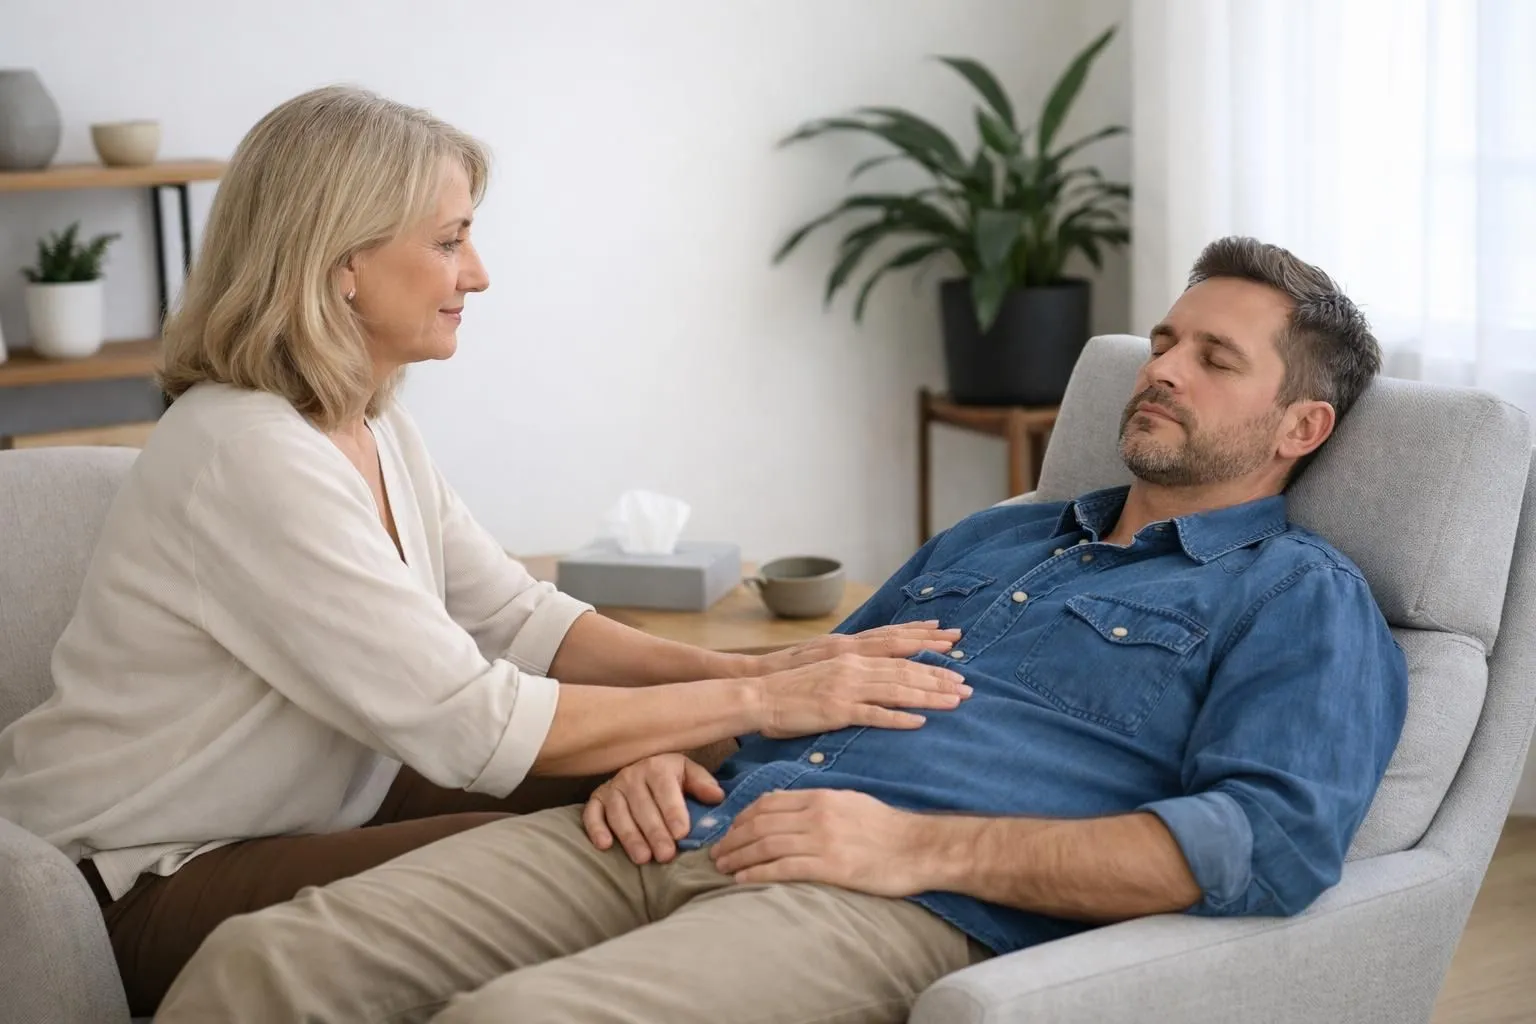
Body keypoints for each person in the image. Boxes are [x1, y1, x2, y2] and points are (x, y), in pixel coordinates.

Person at [152, 238, 1410, 1024]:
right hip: (674, 817)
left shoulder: (1298, 597)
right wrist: (660, 750)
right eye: (1169, 338)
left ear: (1298, 429)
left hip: (886, 895)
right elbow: (805, 682)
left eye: (1218, 359)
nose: (1165, 367)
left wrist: (916, 843)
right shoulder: (999, 536)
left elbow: (1267, 844)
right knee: (264, 965)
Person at [0, 86, 973, 1017]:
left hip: (324, 796)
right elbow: (472, 722)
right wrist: (764, 696)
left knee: (692, 748)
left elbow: (518, 617)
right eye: (450, 240)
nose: (479, 273)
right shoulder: (245, 452)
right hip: (140, 869)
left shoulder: (366, 420)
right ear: (342, 260)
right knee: (542, 863)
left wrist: (750, 671)